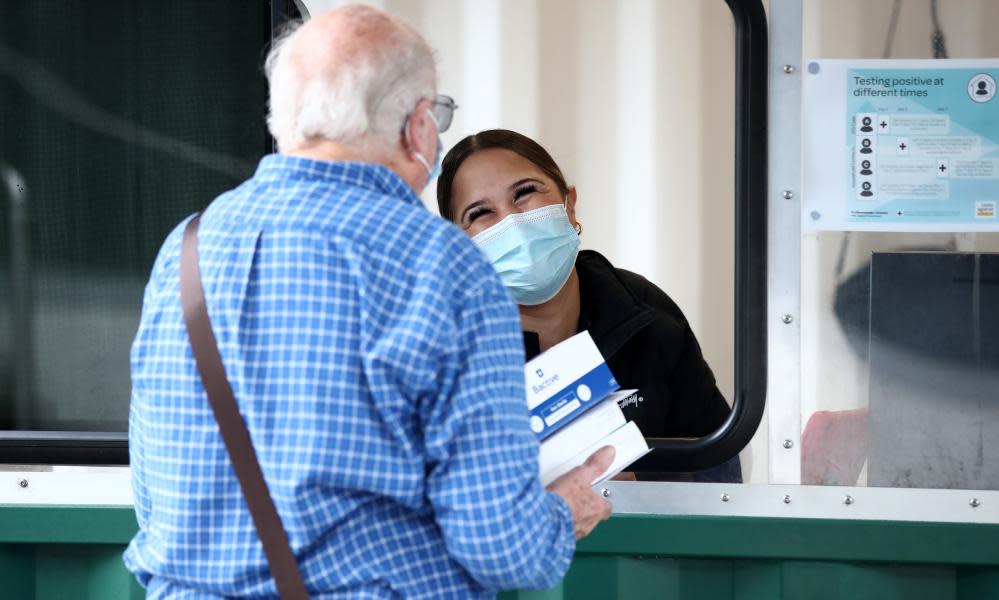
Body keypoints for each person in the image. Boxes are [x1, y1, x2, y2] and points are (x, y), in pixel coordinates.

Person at [125, 8, 613, 599]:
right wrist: (564, 511)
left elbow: (155, 500)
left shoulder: (187, 250)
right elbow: (503, 549)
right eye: (440, 115)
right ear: (417, 127)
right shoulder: (447, 268)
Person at [437, 129, 741, 482]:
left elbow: (717, 468)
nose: (511, 222)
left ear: (569, 205)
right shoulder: (441, 351)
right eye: (480, 213)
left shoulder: (642, 312)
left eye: (525, 192)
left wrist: (638, 489)